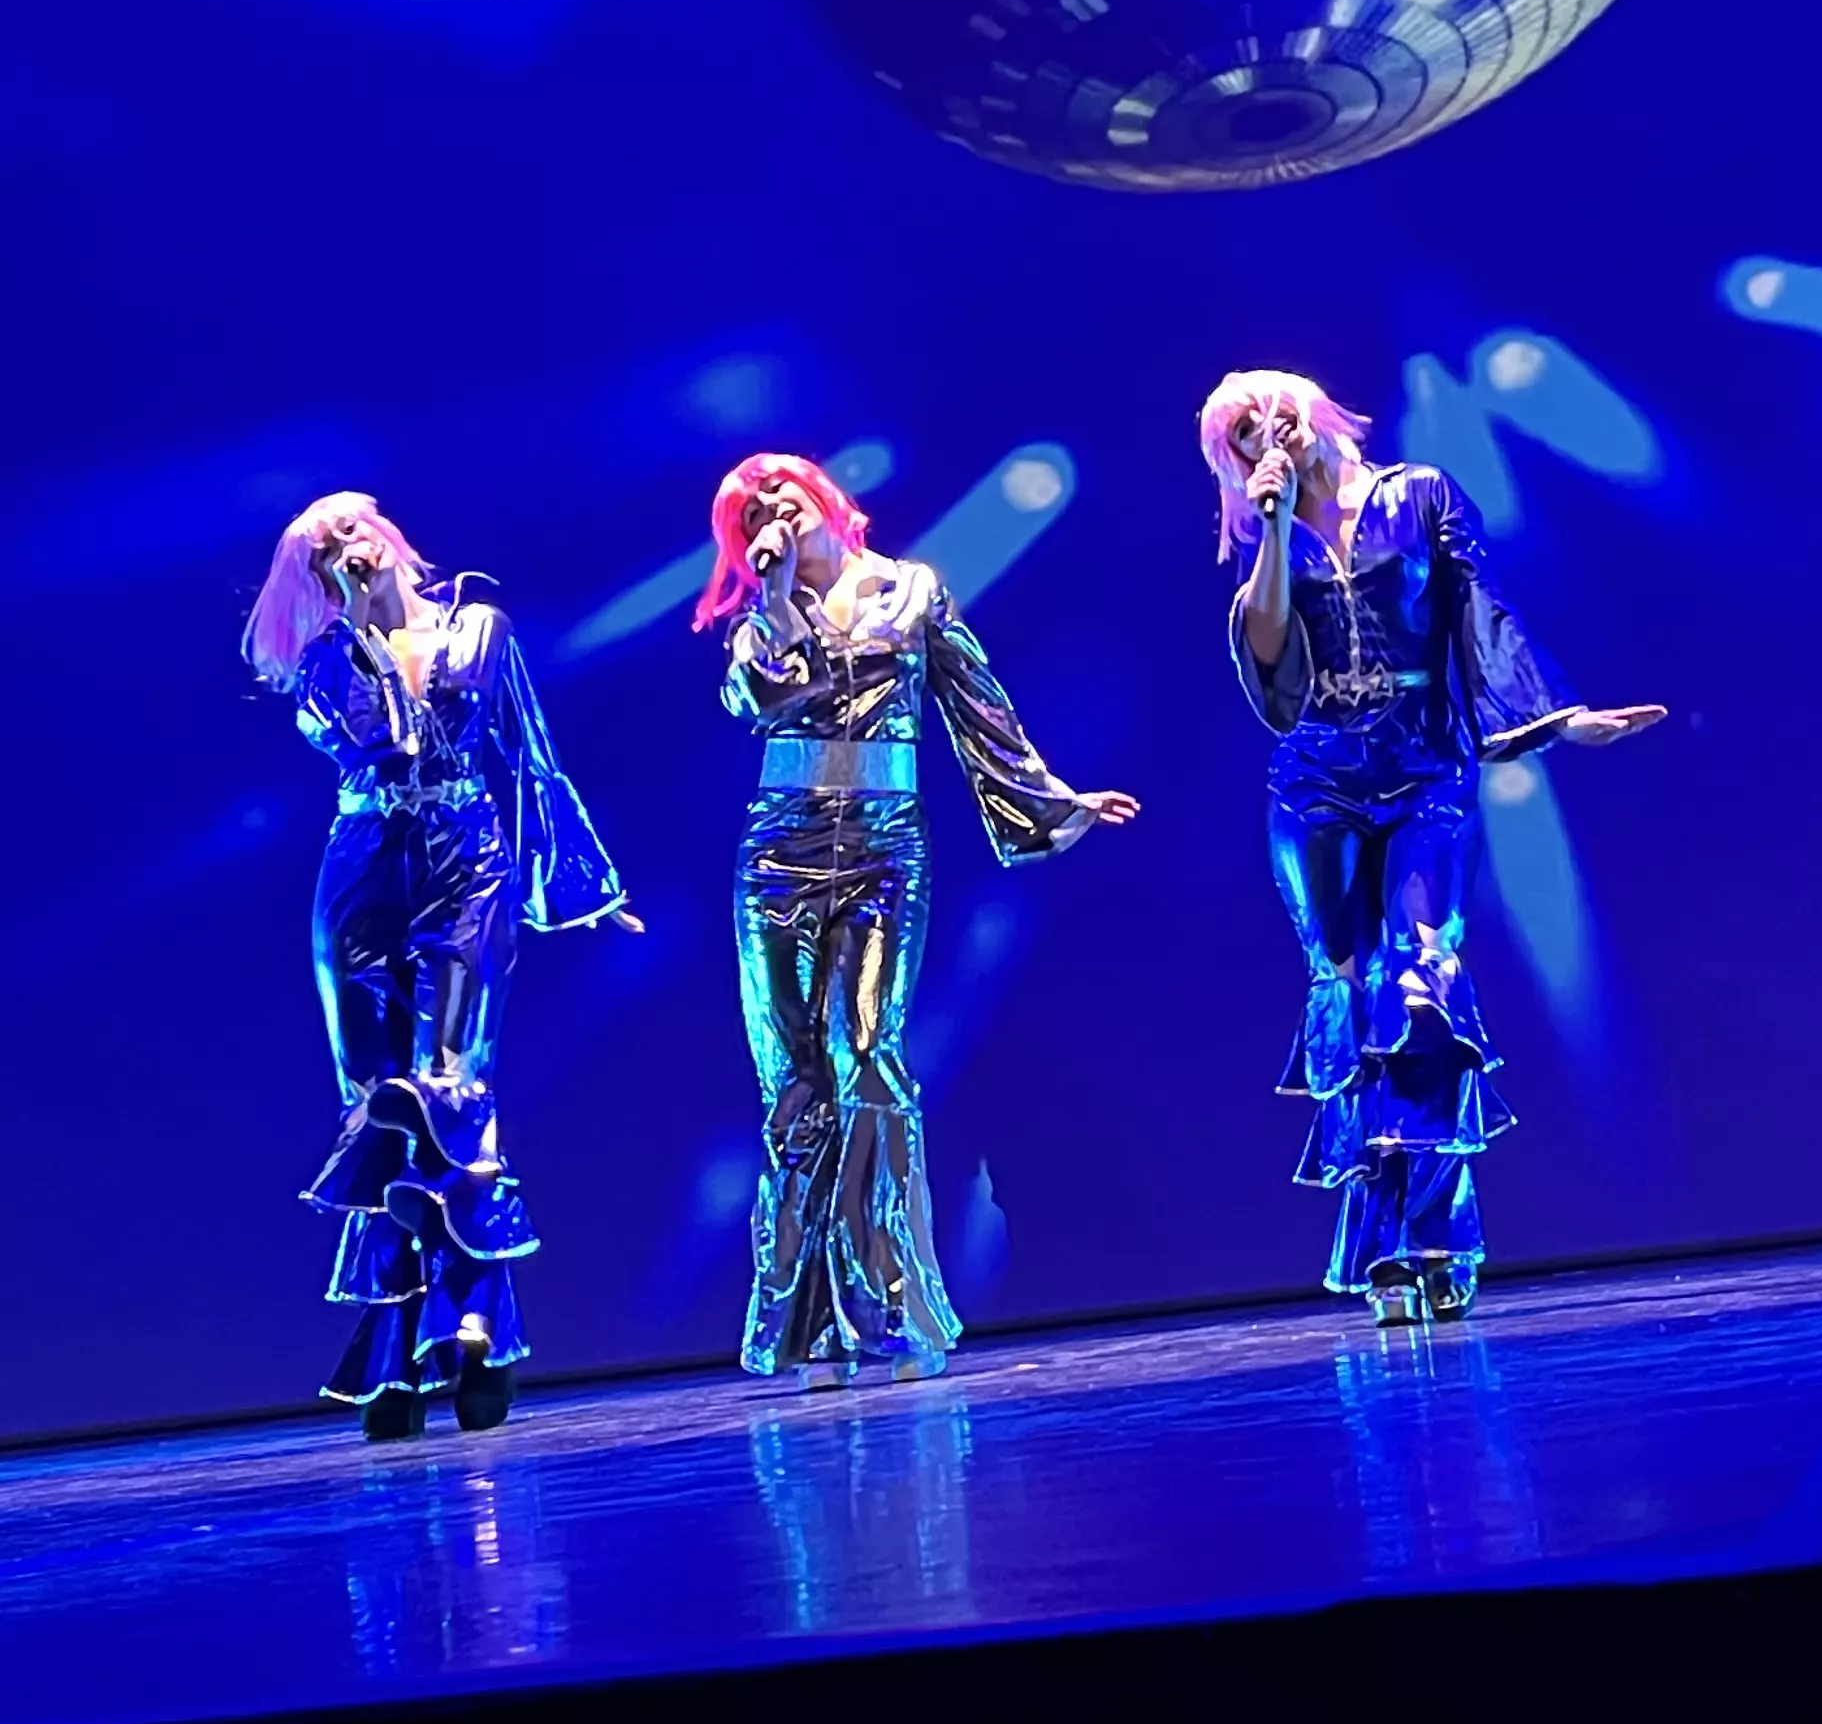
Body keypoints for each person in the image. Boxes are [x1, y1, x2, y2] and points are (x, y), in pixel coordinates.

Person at [1197, 371, 1662, 1325]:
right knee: (1349, 993)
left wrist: (1557, 717)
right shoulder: (1266, 546)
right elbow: (1273, 665)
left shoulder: (1420, 494)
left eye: (1274, 411)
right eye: (1242, 434)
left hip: (1425, 772)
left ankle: (1435, 1239)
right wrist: (1276, 531)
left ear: (1318, 410)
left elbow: (1480, 607)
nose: (1264, 433)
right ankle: (1386, 1257)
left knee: (1421, 983)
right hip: (1315, 785)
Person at [695, 451, 1137, 1380]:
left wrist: (1053, 802)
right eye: (753, 512)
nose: (775, 510)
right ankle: (804, 1318)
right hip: (778, 851)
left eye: (786, 492)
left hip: (883, 848)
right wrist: (774, 600)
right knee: (795, 1075)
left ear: (825, 500)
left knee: (866, 1053)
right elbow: (767, 697)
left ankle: (884, 1299)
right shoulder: (757, 624)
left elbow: (978, 705)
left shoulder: (911, 593)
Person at [243, 491, 635, 1442]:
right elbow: (377, 740)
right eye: (324, 547)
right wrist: (365, 635)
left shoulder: (481, 628)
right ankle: (391, 1361)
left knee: (451, 1091)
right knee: (377, 1107)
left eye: (354, 529)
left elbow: (532, 755)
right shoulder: (325, 662)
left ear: (391, 538)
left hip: (468, 861)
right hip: (364, 867)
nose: (348, 547)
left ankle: (472, 1331)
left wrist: (581, 885)